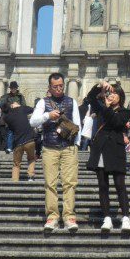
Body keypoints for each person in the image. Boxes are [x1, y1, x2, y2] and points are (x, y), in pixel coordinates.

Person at [30, 72, 81, 233]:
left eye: (61, 86)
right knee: (50, 183)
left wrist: (77, 144)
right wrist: (47, 115)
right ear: (49, 87)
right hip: (49, 147)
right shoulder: (43, 103)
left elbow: (77, 123)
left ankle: (69, 216)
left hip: (68, 147)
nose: (59, 89)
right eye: (55, 86)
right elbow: (32, 122)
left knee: (69, 183)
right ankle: (52, 216)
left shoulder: (71, 101)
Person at [85, 81, 130, 232]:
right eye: (109, 92)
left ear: (121, 96)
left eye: (114, 93)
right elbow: (90, 98)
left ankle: (125, 217)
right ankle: (106, 218)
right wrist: (99, 86)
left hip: (116, 150)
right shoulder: (101, 106)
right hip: (101, 149)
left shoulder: (125, 112)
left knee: (120, 185)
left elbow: (116, 122)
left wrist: (105, 107)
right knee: (103, 185)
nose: (111, 96)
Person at [3, 101, 36, 181]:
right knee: (31, 158)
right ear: (11, 105)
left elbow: (11, 128)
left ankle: (15, 180)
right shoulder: (21, 109)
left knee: (16, 163)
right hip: (29, 139)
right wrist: (19, 106)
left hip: (18, 142)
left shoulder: (6, 117)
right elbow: (33, 109)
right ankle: (31, 176)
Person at [0, 82, 26, 154]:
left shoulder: (20, 97)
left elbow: (24, 106)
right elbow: (2, 105)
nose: (13, 89)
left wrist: (18, 106)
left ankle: (18, 147)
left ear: (16, 88)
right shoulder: (6, 96)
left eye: (14, 88)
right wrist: (10, 105)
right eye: (12, 88)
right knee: (10, 132)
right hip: (10, 117)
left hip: (18, 117)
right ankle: (9, 147)